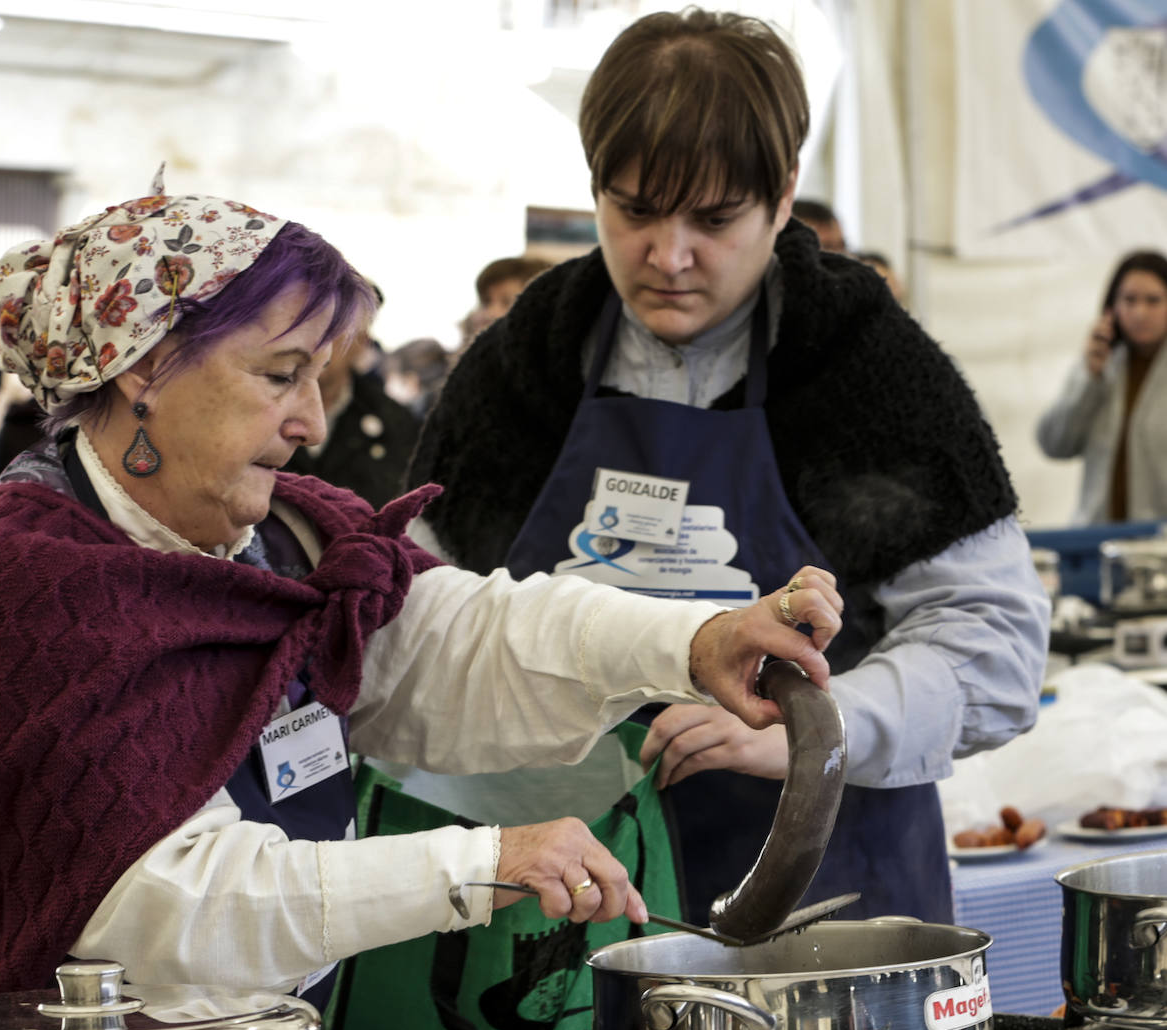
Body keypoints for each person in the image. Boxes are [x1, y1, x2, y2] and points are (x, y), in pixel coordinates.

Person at [0, 175, 844, 1030]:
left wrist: (691, 639)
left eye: (318, 377)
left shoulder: (282, 548)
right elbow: (166, 913)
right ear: (144, 365)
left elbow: (462, 638)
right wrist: (481, 863)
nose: (309, 423)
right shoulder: (11, 591)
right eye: (277, 375)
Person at [406, 8, 1049, 926]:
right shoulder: (522, 366)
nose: (668, 256)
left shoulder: (866, 368)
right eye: (634, 210)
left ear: (783, 196)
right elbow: (415, 623)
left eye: (714, 218)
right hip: (554, 917)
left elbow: (996, 650)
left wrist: (818, 730)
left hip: (826, 909)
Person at [1036, 250, 1167, 525]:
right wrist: (1089, 379)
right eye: (1129, 300)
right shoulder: (1100, 363)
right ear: (1112, 307)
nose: (1139, 312)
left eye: (1153, 300)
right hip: (1096, 538)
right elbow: (1054, 444)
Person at [282, 286, 421, 507]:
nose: (317, 343)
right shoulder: (260, 405)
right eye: (307, 325)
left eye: (333, 330)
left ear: (362, 342)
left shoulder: (396, 423)